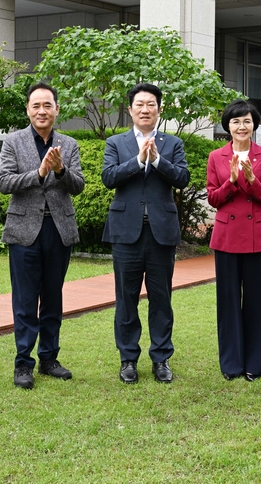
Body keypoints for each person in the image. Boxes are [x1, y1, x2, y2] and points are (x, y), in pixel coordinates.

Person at [0, 82, 85, 390]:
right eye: (36, 106)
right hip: (24, 231)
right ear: (28, 110)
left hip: (58, 230)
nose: (42, 111)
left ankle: (49, 358)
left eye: (47, 105)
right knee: (24, 300)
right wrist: (38, 174)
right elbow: (4, 182)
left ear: (57, 109)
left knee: (52, 297)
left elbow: (78, 185)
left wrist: (60, 171)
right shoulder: (13, 141)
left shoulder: (69, 144)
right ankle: (24, 363)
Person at [102, 83, 190, 384]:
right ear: (130, 109)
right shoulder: (116, 142)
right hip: (125, 232)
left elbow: (182, 178)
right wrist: (138, 161)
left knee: (161, 298)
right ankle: (128, 359)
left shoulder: (173, 143)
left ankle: (161, 358)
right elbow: (108, 178)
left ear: (159, 109)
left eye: (150, 104)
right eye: (139, 104)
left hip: (161, 233)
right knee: (126, 298)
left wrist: (156, 161)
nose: (145, 109)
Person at [207, 99, 261, 381]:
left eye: (247, 121)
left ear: (254, 125)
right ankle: (231, 364)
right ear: (227, 126)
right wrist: (233, 180)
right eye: (235, 121)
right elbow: (213, 198)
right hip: (225, 236)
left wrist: (251, 180)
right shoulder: (216, 157)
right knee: (228, 302)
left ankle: (254, 364)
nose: (241, 126)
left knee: (257, 302)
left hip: (257, 236)